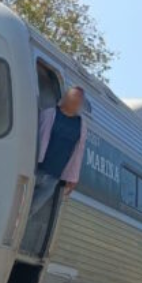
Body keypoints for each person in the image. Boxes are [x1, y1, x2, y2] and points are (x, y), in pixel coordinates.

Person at [30, 86, 88, 217]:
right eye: (72, 98)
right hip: (35, 168)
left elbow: (78, 153)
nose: (74, 102)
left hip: (53, 178)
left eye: (78, 100)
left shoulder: (81, 126)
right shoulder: (49, 114)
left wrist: (73, 178)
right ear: (65, 97)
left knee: (31, 210)